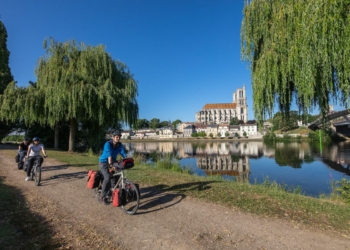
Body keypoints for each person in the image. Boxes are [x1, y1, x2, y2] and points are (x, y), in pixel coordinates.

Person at [99, 131, 127, 205]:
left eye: (119, 137)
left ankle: (112, 190)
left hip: (113, 160)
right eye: (117, 137)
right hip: (104, 162)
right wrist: (111, 164)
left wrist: (126, 158)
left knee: (117, 174)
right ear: (113, 137)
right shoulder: (108, 144)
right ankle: (103, 196)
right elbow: (109, 154)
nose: (118, 138)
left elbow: (122, 152)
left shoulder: (119, 145)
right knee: (107, 177)